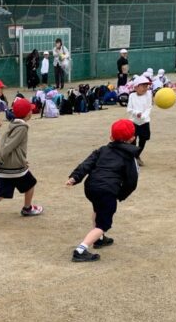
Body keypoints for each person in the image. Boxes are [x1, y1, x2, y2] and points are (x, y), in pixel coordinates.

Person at [65, 119, 139, 263]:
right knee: (104, 224)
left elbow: (86, 164)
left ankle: (99, 239)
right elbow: (132, 181)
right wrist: (120, 195)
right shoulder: (130, 157)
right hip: (107, 191)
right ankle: (81, 250)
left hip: (91, 187)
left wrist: (75, 177)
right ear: (132, 138)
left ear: (111, 137)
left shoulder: (102, 150)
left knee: (98, 208)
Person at [0, 97, 42, 226]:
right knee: (31, 183)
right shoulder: (22, 127)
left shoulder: (12, 124)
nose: (31, 112)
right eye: (30, 110)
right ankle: (27, 208)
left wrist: (21, 160)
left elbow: (11, 147)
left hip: (6, 168)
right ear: (28, 114)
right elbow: (9, 146)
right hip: (14, 168)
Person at [126, 75, 153, 167]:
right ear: (136, 87)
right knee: (132, 140)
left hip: (145, 121)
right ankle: (134, 157)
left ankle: (136, 155)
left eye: (146, 86)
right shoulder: (132, 96)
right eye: (143, 86)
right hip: (133, 121)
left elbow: (149, 107)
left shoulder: (148, 94)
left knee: (143, 139)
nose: (145, 88)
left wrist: (144, 116)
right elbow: (129, 109)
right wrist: (136, 113)